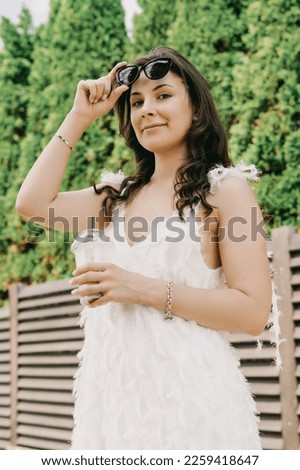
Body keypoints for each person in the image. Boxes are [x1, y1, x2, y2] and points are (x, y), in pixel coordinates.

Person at [16, 46, 273, 450]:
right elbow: (32, 206)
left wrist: (142, 289)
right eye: (136, 102)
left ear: (196, 109)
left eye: (163, 95)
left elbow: (253, 311)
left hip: (192, 406)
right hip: (111, 405)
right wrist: (79, 116)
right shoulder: (115, 197)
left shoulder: (225, 192)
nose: (146, 109)